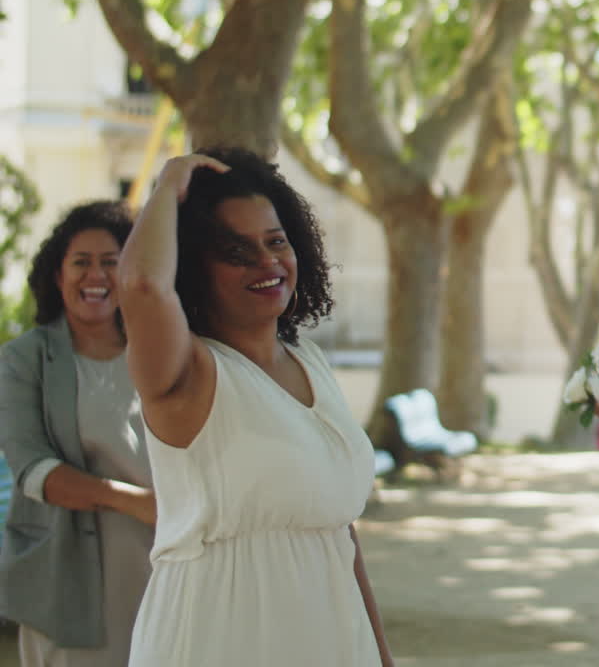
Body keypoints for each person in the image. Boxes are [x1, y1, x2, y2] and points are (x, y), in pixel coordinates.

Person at [118, 150, 393, 666]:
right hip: (220, 636)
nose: (267, 262)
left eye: (275, 242)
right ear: (194, 267)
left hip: (331, 638)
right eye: (236, 252)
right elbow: (140, 284)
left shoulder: (310, 361)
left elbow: (337, 530)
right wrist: (169, 183)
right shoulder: (186, 373)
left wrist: (380, 656)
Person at [0, 200, 154, 666]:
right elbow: (34, 472)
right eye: (81, 263)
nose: (97, 275)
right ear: (57, 275)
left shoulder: (160, 349)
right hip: (72, 578)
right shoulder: (25, 359)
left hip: (163, 564)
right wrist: (138, 503)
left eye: (111, 262)